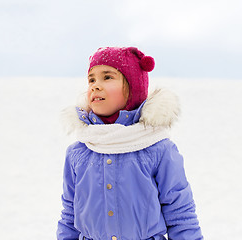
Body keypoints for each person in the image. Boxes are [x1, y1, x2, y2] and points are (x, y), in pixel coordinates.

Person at [57, 47, 203, 240]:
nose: (95, 85)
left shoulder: (158, 149)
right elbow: (70, 213)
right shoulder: (79, 151)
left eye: (107, 77)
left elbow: (180, 213)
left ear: (133, 87)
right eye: (91, 79)